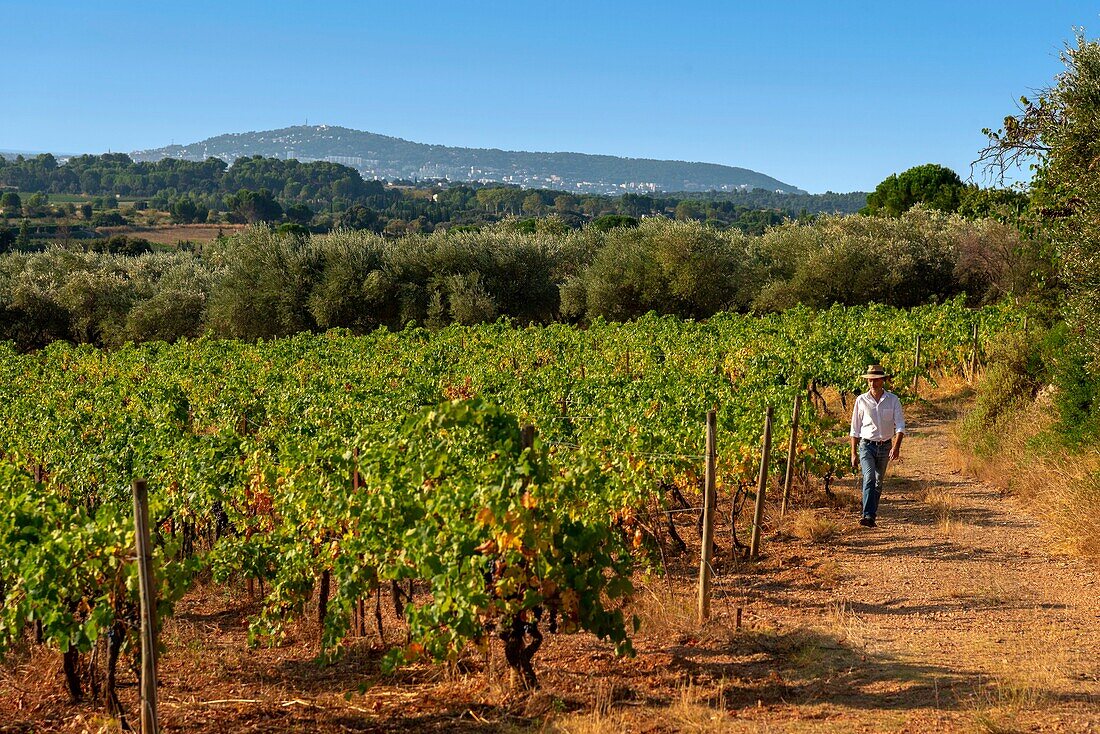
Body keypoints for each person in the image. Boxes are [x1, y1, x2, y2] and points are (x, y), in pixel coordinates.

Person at [849, 364, 905, 527]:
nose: (872, 383)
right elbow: (855, 428)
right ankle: (867, 515)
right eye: (870, 380)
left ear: (883, 381)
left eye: (876, 380)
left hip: (885, 446)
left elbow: (900, 425)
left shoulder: (893, 400)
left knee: (878, 482)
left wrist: (896, 447)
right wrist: (853, 452)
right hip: (866, 445)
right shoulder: (861, 400)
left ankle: (871, 514)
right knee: (869, 478)